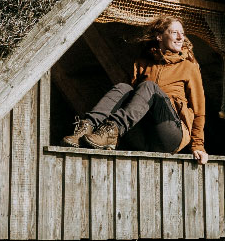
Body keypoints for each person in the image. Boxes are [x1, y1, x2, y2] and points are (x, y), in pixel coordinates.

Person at [65, 15, 207, 165]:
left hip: (169, 134)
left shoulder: (189, 67)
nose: (180, 38)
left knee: (149, 86)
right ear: (159, 36)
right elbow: (128, 102)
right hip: (142, 136)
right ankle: (86, 127)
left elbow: (199, 110)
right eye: (174, 33)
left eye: (182, 34)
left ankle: (113, 130)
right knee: (123, 88)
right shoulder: (142, 64)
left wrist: (198, 145)